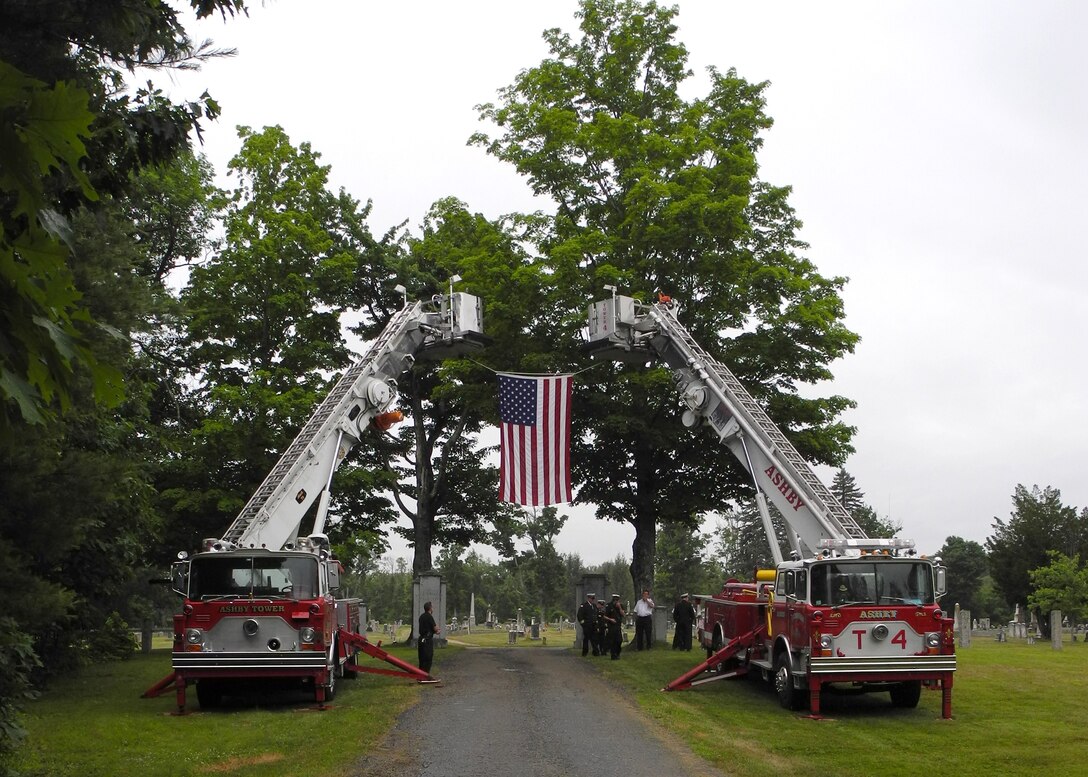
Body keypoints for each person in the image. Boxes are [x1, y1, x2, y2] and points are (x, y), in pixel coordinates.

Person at [417, 601, 439, 674]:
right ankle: (425, 674)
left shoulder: (421, 616)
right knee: (428, 658)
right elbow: (435, 628)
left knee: (421, 658)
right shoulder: (429, 617)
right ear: (430, 608)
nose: (433, 609)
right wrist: (438, 630)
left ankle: (420, 674)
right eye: (432, 607)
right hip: (427, 640)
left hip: (421, 639)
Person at [604, 593, 625, 659]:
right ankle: (613, 655)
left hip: (618, 626)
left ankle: (618, 653)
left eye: (617, 600)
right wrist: (610, 619)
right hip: (611, 625)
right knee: (612, 641)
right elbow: (604, 616)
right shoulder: (609, 605)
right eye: (615, 600)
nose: (616, 601)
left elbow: (623, 614)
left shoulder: (620, 606)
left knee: (619, 640)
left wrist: (619, 607)